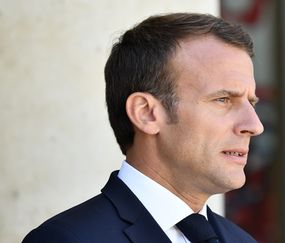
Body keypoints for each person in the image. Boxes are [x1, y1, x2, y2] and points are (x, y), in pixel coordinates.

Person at [23, 12, 264, 243]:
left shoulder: (240, 240)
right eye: (223, 100)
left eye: (251, 102)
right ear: (146, 113)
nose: (254, 125)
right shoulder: (66, 239)